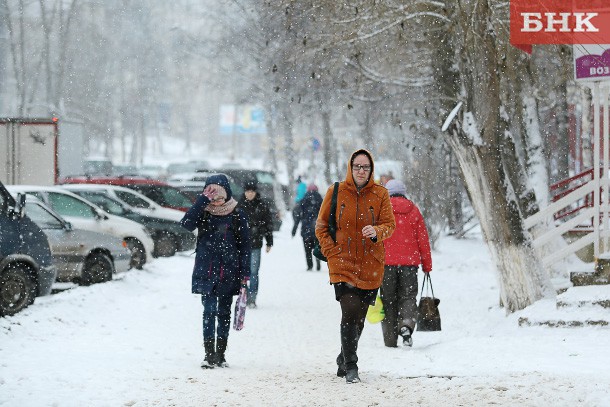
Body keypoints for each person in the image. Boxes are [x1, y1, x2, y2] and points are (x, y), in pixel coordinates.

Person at [315, 149, 396, 384]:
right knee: (349, 310)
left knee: (359, 318)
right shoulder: (336, 191)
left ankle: (343, 355)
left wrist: (377, 232)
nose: (361, 171)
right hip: (343, 262)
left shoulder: (380, 194)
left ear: (371, 170)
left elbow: (389, 225)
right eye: (357, 166)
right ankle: (352, 366)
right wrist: (332, 252)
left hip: (371, 264)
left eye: (366, 167)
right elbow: (321, 226)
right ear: (350, 168)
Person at [180, 174, 251, 369]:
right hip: (207, 270)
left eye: (220, 197)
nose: (217, 201)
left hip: (230, 271)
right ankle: (209, 354)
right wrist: (202, 201)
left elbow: (245, 246)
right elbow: (186, 224)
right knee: (209, 311)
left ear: (227, 194)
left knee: (224, 313)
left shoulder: (237, 213)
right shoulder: (203, 211)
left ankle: (221, 354)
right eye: (214, 197)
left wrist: (245, 275)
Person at [381, 179, 433, 348]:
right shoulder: (414, 211)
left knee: (388, 299)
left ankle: (389, 339)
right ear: (403, 192)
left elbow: (374, 239)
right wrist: (427, 265)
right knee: (408, 297)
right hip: (409, 264)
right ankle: (406, 325)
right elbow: (423, 240)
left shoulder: (382, 211)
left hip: (386, 264)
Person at [238, 179, 273, 308]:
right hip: (241, 245)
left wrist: (269, 242)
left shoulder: (262, 205)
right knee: (242, 272)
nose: (250, 194)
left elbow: (268, 224)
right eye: (248, 191)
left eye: (252, 191)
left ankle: (252, 299)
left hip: (256, 243)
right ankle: (244, 296)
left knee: (253, 272)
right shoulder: (239, 205)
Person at [292, 183, 323, 271]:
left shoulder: (304, 200)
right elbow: (326, 215)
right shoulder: (320, 200)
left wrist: (294, 228)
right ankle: (317, 259)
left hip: (306, 229)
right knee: (317, 246)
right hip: (317, 228)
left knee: (307, 248)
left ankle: (310, 265)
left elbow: (298, 216)